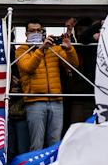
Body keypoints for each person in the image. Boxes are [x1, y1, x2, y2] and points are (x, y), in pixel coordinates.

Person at [13, 21, 79, 150]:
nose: (36, 33)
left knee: (55, 143)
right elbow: (28, 67)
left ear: (44, 33)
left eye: (39, 31)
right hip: (34, 102)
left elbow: (74, 65)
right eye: (32, 30)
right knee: (36, 144)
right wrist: (41, 49)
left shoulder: (53, 48)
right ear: (26, 33)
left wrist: (69, 48)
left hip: (56, 100)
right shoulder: (21, 49)